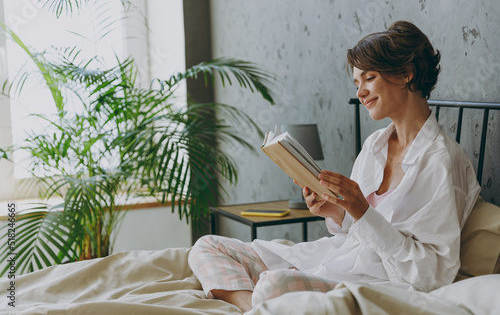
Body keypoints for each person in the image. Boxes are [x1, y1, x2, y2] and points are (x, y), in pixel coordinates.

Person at [188, 20, 481, 313]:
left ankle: (259, 301)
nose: (361, 93)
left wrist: (361, 211)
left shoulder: (443, 161)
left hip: (377, 281)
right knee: (207, 246)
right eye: (357, 83)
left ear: (406, 73)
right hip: (338, 258)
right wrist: (337, 212)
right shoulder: (375, 145)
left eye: (369, 78)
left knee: (273, 284)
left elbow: (433, 274)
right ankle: (251, 306)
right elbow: (355, 232)